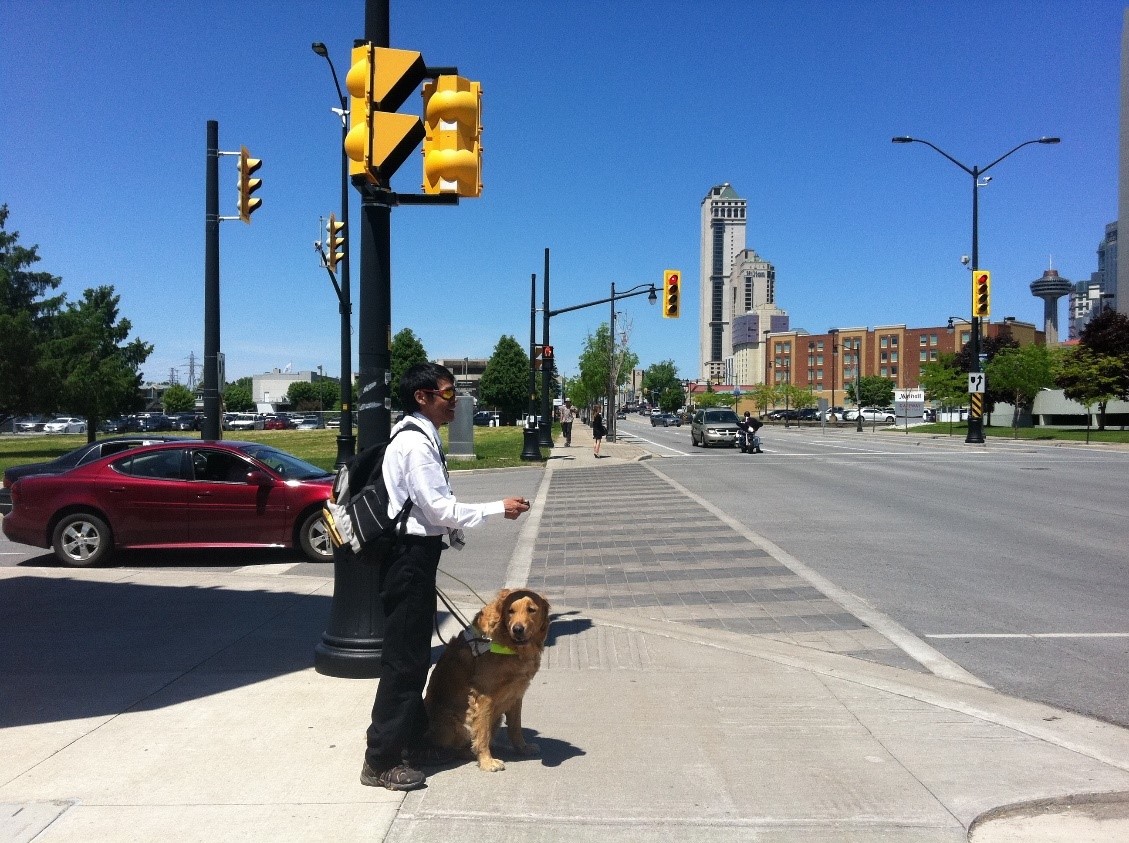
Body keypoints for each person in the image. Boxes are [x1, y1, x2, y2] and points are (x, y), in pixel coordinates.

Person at [361, 362, 530, 792]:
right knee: (404, 662)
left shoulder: (420, 436)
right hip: (407, 559)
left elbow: (432, 512)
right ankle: (380, 761)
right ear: (423, 397)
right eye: (449, 394)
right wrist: (497, 509)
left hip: (415, 557)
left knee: (414, 657)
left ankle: (411, 740)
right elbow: (437, 510)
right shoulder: (416, 444)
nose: (455, 401)